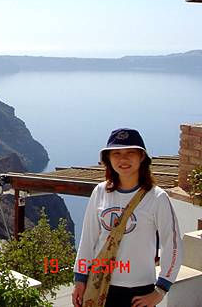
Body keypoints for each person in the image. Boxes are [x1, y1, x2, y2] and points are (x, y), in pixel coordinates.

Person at [72, 128, 182, 307]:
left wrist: (160, 290)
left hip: (139, 291)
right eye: (116, 153)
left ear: (142, 157)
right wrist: (80, 279)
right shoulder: (100, 192)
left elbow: (173, 244)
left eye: (130, 152)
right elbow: (88, 240)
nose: (123, 159)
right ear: (108, 159)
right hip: (99, 286)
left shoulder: (156, 197)